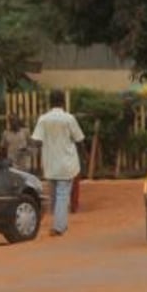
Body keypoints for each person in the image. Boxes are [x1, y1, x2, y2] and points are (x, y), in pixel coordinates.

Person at [31, 90, 86, 236]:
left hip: (50, 163)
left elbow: (36, 140)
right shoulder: (69, 119)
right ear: (63, 102)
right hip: (67, 163)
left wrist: (35, 157)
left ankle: (58, 222)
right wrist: (84, 158)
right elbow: (80, 140)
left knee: (54, 194)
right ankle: (59, 226)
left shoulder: (43, 119)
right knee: (62, 195)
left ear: (50, 102)